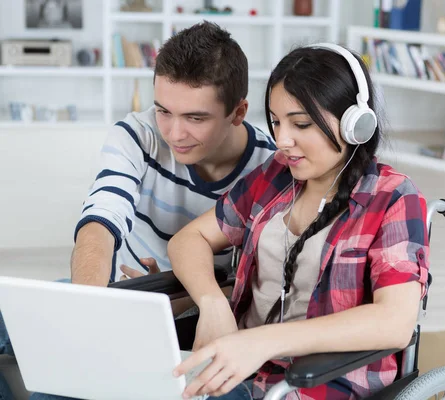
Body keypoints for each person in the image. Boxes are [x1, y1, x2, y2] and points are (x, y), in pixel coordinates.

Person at [0, 22, 275, 400]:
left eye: (195, 118)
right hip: (118, 298)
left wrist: (177, 296)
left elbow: (252, 285)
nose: (173, 133)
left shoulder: (272, 168)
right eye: (163, 110)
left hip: (197, 316)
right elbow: (99, 224)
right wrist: (89, 311)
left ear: (238, 111)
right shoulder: (138, 134)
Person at [167, 43, 430, 400]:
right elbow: (189, 239)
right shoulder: (276, 175)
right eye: (276, 121)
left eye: (301, 123)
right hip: (237, 368)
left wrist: (262, 343)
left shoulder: (394, 197)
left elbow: (395, 322)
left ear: (355, 123)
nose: (282, 140)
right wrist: (213, 303)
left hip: (317, 383)